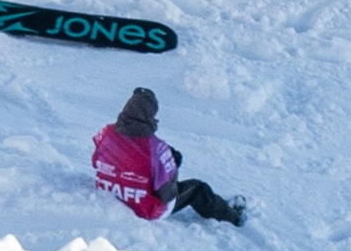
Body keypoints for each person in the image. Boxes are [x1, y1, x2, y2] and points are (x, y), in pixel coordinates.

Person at [91, 83, 246, 226]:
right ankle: (233, 217)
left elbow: (96, 161)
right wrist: (172, 166)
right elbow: (168, 195)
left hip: (111, 196)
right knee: (198, 189)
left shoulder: (106, 133)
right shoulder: (156, 148)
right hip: (146, 209)